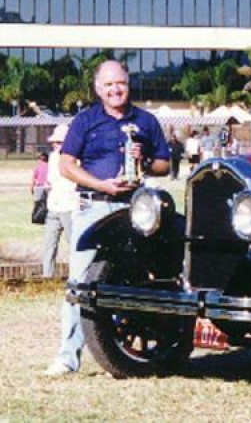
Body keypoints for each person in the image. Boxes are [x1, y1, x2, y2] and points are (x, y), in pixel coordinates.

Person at [44, 60, 170, 376]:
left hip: (135, 209)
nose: (116, 89)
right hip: (94, 207)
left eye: (121, 84)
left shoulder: (146, 121)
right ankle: (67, 357)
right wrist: (101, 184)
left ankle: (144, 349)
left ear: (129, 85)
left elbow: (164, 165)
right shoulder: (85, 121)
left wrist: (146, 161)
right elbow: (66, 165)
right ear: (98, 88)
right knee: (80, 282)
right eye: (109, 84)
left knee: (141, 278)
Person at [41, 124, 78, 278]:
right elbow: (50, 180)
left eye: (59, 142)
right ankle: (47, 275)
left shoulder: (76, 159)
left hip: (69, 206)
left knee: (73, 244)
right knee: (49, 244)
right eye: (54, 142)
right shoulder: (53, 157)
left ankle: (76, 275)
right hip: (54, 205)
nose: (55, 144)